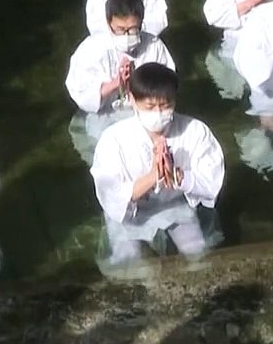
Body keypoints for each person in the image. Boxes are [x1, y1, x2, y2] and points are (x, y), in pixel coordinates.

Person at [90, 63, 225, 266]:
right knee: (128, 263)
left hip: (174, 205)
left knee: (198, 256)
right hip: (131, 213)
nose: (159, 113)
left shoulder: (195, 131)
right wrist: (155, 175)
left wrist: (178, 175)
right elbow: (112, 194)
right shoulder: (114, 139)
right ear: (132, 99)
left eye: (165, 105)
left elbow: (211, 180)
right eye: (150, 107)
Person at [66, 0, 177, 164]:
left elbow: (166, 85)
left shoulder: (154, 46)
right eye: (120, 30)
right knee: (107, 157)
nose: (126, 36)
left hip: (144, 113)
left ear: (141, 23)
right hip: (104, 114)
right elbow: (81, 93)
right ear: (109, 23)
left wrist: (136, 85)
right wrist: (116, 83)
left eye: (132, 30)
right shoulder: (91, 48)